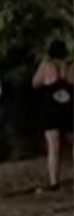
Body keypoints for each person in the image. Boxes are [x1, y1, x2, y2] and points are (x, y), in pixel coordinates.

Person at [31, 40, 73, 188]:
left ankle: (54, 181)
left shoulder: (46, 66)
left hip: (50, 110)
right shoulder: (69, 67)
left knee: (53, 147)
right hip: (68, 109)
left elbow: (35, 83)